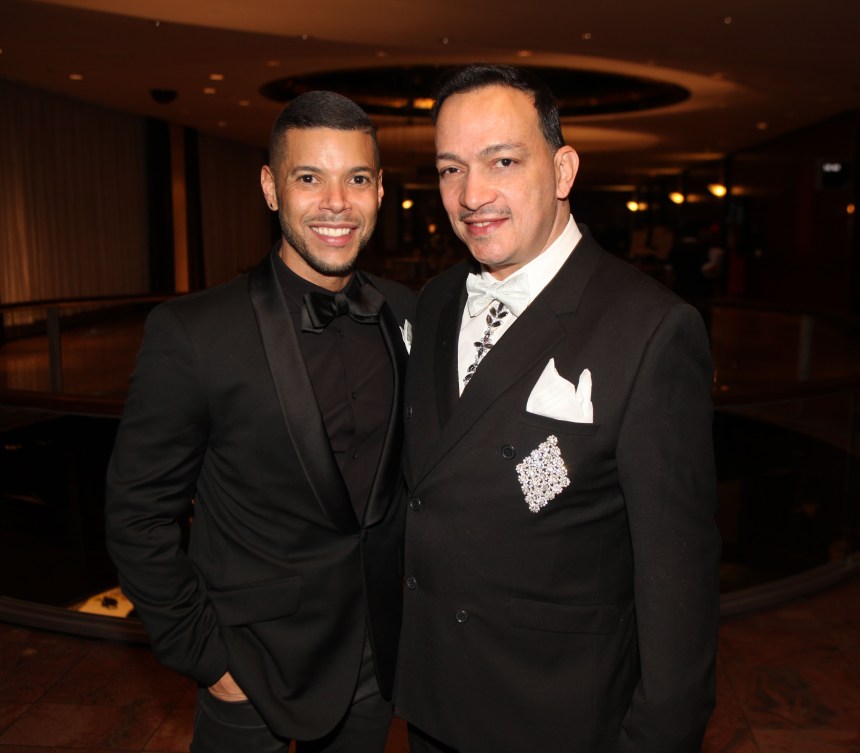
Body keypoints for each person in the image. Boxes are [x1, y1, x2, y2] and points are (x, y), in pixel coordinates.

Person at [395, 64, 720, 753]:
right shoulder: (436, 300)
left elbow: (678, 589)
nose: (472, 195)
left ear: (564, 168)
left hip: (560, 719)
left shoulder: (651, 329)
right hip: (433, 704)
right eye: (450, 170)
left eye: (502, 161)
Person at [105, 91, 414, 753]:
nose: (337, 202)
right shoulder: (194, 333)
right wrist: (209, 661)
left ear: (381, 191)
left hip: (374, 662)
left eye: (356, 178)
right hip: (253, 667)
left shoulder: (407, 314)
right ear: (272, 188)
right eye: (310, 177)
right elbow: (136, 513)